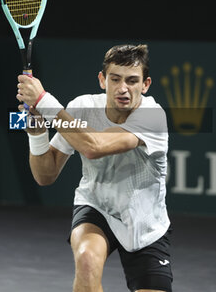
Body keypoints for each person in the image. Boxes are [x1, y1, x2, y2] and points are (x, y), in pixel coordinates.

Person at [17, 44, 173, 292]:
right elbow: (45, 175)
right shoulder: (82, 107)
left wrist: (42, 100)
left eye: (132, 81)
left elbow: (93, 146)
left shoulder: (153, 116)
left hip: (146, 223)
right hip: (95, 206)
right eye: (115, 79)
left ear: (145, 85)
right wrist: (37, 133)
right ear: (103, 80)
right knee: (87, 259)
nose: (123, 88)